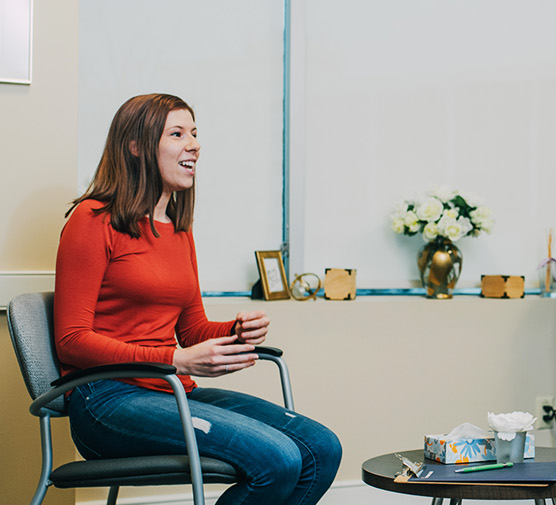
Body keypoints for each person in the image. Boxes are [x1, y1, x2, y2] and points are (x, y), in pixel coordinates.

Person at [54, 93, 342, 505]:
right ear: (136, 146)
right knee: (277, 459)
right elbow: (71, 340)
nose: (194, 145)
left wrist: (235, 332)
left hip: (172, 390)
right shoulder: (93, 219)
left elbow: (191, 330)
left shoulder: (178, 229)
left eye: (194, 133)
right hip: (106, 399)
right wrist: (175, 360)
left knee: (321, 449)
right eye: (177, 134)